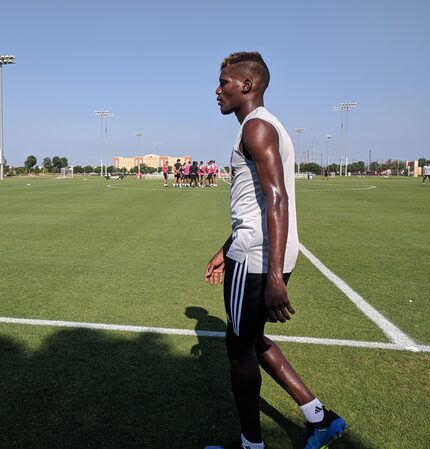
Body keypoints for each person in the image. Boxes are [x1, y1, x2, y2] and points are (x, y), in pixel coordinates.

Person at [204, 52, 346, 449]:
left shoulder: (256, 128)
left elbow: (277, 199)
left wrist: (272, 278)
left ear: (247, 85)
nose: (217, 90)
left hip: (255, 259)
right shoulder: (265, 126)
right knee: (253, 339)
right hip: (258, 252)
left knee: (238, 350)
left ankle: (252, 446)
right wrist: (224, 248)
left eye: (224, 83)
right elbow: (258, 206)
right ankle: (318, 417)